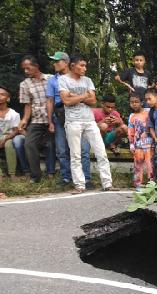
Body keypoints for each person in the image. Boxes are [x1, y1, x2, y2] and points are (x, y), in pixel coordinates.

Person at [58, 55, 113, 193]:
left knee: (101, 152)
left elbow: (93, 101)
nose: (84, 68)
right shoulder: (63, 80)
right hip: (73, 121)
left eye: (85, 66)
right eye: (81, 65)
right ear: (72, 66)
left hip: (89, 120)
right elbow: (66, 101)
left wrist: (74, 96)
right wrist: (84, 96)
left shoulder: (88, 80)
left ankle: (107, 184)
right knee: (75, 155)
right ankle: (80, 185)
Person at [46, 51, 91, 188]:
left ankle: (86, 178)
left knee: (83, 148)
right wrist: (50, 122)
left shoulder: (80, 78)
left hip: (78, 114)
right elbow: (50, 101)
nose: (55, 64)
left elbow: (90, 97)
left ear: (66, 63)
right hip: (60, 116)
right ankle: (66, 177)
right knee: (61, 149)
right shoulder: (52, 80)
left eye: (57, 61)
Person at [18, 55, 55, 183]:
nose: (26, 71)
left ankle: (56, 174)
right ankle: (35, 176)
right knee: (29, 143)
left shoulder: (51, 78)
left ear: (36, 66)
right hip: (37, 120)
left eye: (28, 68)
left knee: (53, 144)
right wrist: (24, 120)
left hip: (54, 118)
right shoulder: (24, 84)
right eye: (24, 69)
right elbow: (27, 106)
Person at [127, 93, 153, 190]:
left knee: (151, 165)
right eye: (132, 102)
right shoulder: (132, 116)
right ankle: (138, 184)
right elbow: (131, 131)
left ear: (142, 102)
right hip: (138, 145)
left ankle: (152, 184)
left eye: (136, 102)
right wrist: (131, 144)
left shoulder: (149, 112)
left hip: (150, 144)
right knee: (138, 165)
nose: (134, 104)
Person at [0, 86, 20, 181]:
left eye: (2, 94)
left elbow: (16, 130)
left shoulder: (13, 114)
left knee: (8, 145)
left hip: (8, 137)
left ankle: (12, 174)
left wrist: (5, 139)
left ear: (8, 98)